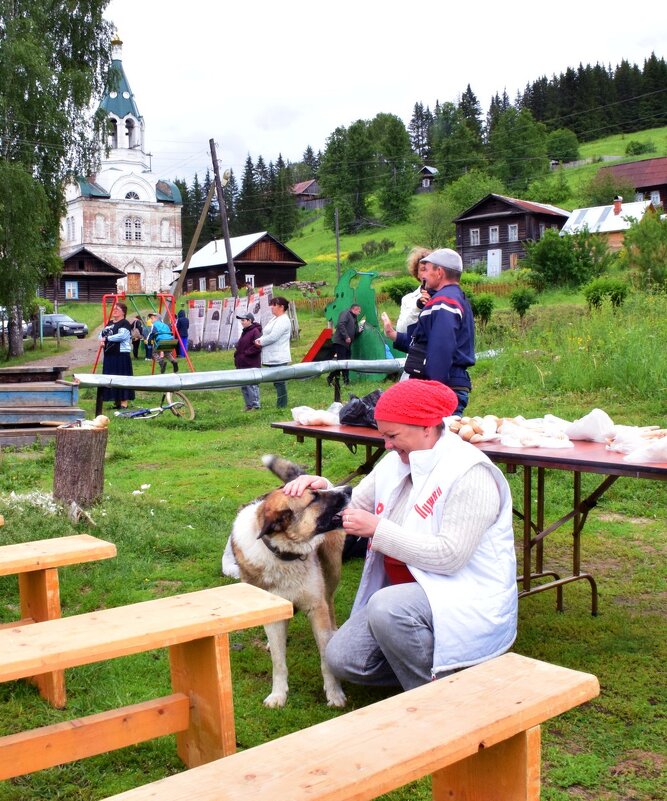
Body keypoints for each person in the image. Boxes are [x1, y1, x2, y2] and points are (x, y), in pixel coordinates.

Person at [283, 379, 517, 691]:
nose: (387, 445)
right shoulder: (396, 460)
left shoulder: (470, 472)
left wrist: (378, 529)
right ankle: (448, 669)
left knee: (387, 607)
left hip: (463, 595)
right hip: (409, 596)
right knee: (342, 658)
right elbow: (353, 505)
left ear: (426, 427)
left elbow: (450, 557)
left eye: (392, 436)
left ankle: (435, 692)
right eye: (384, 436)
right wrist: (322, 491)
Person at [383, 248, 474, 415]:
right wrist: (394, 335)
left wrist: (434, 392)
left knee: (437, 440)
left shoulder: (445, 301)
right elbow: (424, 344)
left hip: (444, 387)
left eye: (427, 269)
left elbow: (441, 347)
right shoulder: (448, 298)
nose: (423, 275)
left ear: (439, 272)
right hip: (446, 385)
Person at [255, 296, 291, 409]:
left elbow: (273, 337)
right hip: (272, 355)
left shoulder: (284, 320)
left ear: (281, 307)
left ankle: (282, 405)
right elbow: (266, 333)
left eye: (274, 305)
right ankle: (281, 404)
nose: (272, 307)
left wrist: (260, 342)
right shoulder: (274, 319)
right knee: (277, 382)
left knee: (280, 382)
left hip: (278, 356)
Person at [99, 302, 135, 410]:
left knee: (122, 377)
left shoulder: (125, 323)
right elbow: (101, 334)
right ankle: (116, 401)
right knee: (111, 377)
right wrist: (101, 340)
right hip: (109, 355)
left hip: (121, 355)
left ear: (123, 312)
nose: (114, 310)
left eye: (117, 309)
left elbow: (122, 336)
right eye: (114, 308)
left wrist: (107, 338)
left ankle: (124, 403)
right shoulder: (109, 323)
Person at [395, 247, 431, 335]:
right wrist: (417, 308)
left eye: (430, 269)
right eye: (423, 269)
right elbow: (401, 330)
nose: (427, 273)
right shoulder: (408, 299)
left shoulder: (443, 295)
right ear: (417, 273)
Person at [328, 303, 362, 387]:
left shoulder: (354, 318)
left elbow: (353, 331)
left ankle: (345, 380)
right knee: (341, 362)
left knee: (346, 362)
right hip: (340, 342)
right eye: (359, 311)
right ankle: (331, 378)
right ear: (354, 309)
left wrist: (358, 331)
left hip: (347, 344)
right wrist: (346, 336)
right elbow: (341, 324)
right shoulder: (345, 313)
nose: (359, 313)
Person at [234, 312, 262, 411]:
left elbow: (258, 347)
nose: (241, 322)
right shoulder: (245, 331)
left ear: (249, 320)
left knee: (252, 385)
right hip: (242, 363)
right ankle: (249, 405)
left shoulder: (255, 331)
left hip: (251, 363)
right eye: (241, 320)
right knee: (244, 385)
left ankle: (256, 405)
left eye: (243, 320)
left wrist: (246, 353)